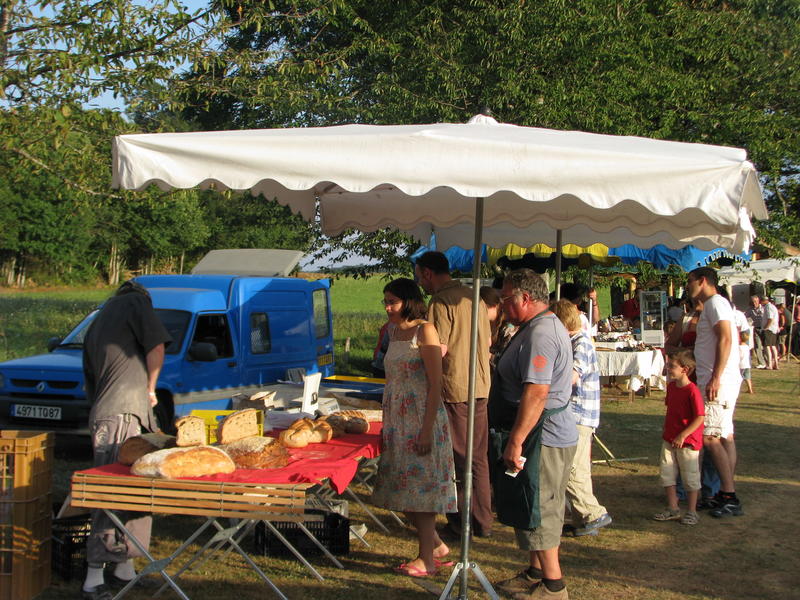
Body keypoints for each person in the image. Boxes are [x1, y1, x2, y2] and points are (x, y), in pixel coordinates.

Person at [81, 280, 171, 600]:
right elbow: (157, 346)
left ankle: (125, 568)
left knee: (138, 490)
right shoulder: (136, 303)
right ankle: (93, 576)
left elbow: (90, 380)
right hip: (125, 413)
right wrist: (150, 388)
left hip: (111, 413)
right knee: (112, 492)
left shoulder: (98, 321)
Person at [492, 269, 577, 600]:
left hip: (544, 436)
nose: (502, 305)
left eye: (506, 299)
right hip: (534, 431)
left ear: (525, 299)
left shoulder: (541, 333)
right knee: (529, 503)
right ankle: (535, 573)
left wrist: (516, 440)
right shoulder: (533, 327)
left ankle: (554, 587)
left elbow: (537, 391)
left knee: (541, 506)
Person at [371, 278, 457, 576]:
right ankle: (436, 546)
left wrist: (426, 429)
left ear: (408, 301)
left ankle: (427, 561)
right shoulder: (394, 331)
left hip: (422, 418)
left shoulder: (425, 330)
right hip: (398, 421)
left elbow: (435, 384)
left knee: (421, 494)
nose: (387, 307)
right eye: (385, 301)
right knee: (401, 488)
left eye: (392, 301)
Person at [414, 251, 493, 539]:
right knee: (478, 457)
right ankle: (482, 521)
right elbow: (487, 340)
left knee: (460, 459)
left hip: (456, 388)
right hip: (480, 385)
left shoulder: (441, 301)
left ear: (427, 274)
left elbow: (439, 348)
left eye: (419, 274)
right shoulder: (475, 297)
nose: (419, 282)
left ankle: (464, 524)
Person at [685, 267, 743, 518]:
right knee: (725, 436)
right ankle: (724, 492)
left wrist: (716, 376)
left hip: (718, 380)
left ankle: (729, 495)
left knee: (710, 437)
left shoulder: (715, 303)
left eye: (689, 282)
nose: (687, 287)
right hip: (721, 378)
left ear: (702, 280)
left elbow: (726, 338)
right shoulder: (712, 305)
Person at [550, 300, 611, 538]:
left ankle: (593, 513)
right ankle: (582, 518)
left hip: (578, 414)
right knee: (579, 468)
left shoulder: (581, 343)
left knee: (571, 468)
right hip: (576, 413)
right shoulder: (574, 341)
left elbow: (574, 376)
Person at [651, 349, 705, 526]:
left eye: (672, 366)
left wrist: (683, 434)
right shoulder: (672, 387)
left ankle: (691, 511)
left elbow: (700, 417)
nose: (668, 369)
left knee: (690, 475)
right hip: (670, 437)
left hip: (687, 442)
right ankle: (673, 507)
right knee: (667, 472)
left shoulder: (692, 391)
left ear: (685, 369)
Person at [481, 285, 517, 370]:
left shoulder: (509, 328)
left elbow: (508, 362)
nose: (480, 313)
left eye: (482, 308)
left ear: (493, 306)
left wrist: (489, 356)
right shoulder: (486, 324)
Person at [744, 295, 765, 368]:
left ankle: (768, 361)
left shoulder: (763, 308)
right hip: (756, 328)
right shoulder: (750, 309)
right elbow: (744, 317)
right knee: (757, 346)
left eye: (755, 301)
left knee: (766, 346)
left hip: (764, 328)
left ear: (758, 301)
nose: (754, 303)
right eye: (753, 301)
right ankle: (761, 363)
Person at [761, 296, 780, 369]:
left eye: (761, 301)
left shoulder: (768, 307)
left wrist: (766, 327)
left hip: (769, 329)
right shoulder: (773, 307)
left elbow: (770, 318)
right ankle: (776, 363)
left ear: (764, 301)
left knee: (767, 346)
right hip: (774, 329)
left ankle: (770, 364)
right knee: (773, 346)